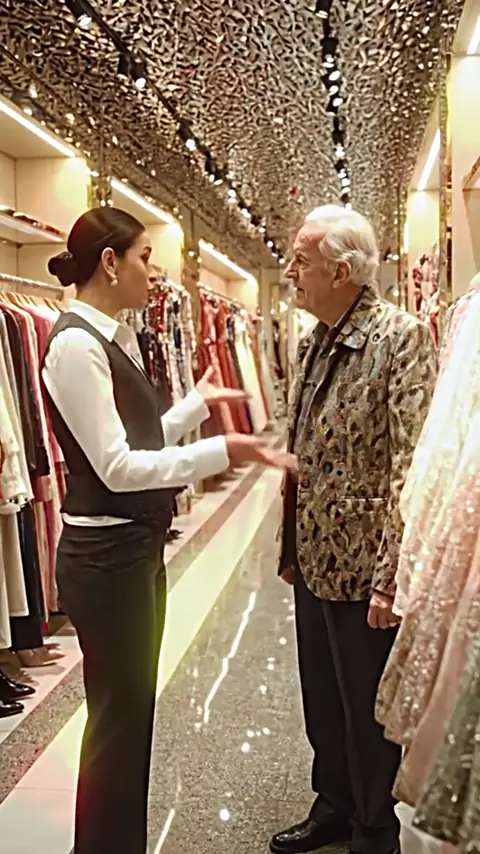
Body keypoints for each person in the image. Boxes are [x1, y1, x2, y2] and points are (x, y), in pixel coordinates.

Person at [42, 207, 296, 854]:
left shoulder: (108, 336)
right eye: (145, 258)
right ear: (110, 262)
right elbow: (118, 467)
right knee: (118, 721)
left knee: (129, 716)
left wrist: (193, 409)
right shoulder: (75, 344)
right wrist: (221, 450)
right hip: (107, 556)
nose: (153, 274)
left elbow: (131, 437)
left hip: (127, 549)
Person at [271, 205, 437, 854]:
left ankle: (374, 827)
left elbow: (409, 465)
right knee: (322, 697)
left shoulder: (400, 338)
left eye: (301, 261)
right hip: (313, 555)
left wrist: (391, 577)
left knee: (368, 710)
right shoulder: (312, 341)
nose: (290, 272)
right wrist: (288, 543)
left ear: (341, 271)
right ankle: (334, 804)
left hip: (365, 564)